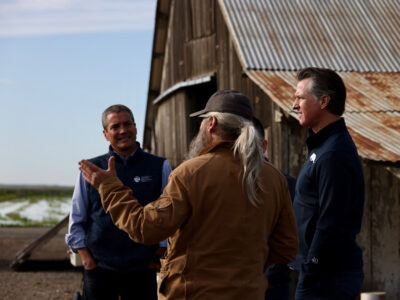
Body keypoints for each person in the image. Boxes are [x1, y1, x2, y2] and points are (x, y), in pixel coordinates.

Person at [78, 89, 299, 300]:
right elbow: (287, 247)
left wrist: (110, 188)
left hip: (194, 293)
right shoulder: (273, 177)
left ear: (211, 123)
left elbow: (145, 227)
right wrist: (243, 267)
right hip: (248, 292)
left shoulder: (192, 172)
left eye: (202, 120)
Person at [65, 104, 172, 300]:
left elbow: (170, 216)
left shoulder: (160, 166)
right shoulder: (92, 170)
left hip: (143, 268)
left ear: (135, 127)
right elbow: (77, 218)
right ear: (105, 134)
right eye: (115, 127)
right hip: (99, 268)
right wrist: (87, 260)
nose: (123, 130)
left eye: (127, 124)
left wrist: (158, 255)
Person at [291, 67, 365, 299]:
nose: (294, 105)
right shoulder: (323, 147)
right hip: (321, 274)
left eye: (300, 98)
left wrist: (313, 264)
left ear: (324, 101)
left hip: (327, 278)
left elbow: (331, 220)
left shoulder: (333, 153)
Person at [253, 117, 296, 300]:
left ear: (263, 146)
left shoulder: (286, 184)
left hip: (272, 285)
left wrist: (270, 277)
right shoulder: (229, 184)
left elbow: (290, 236)